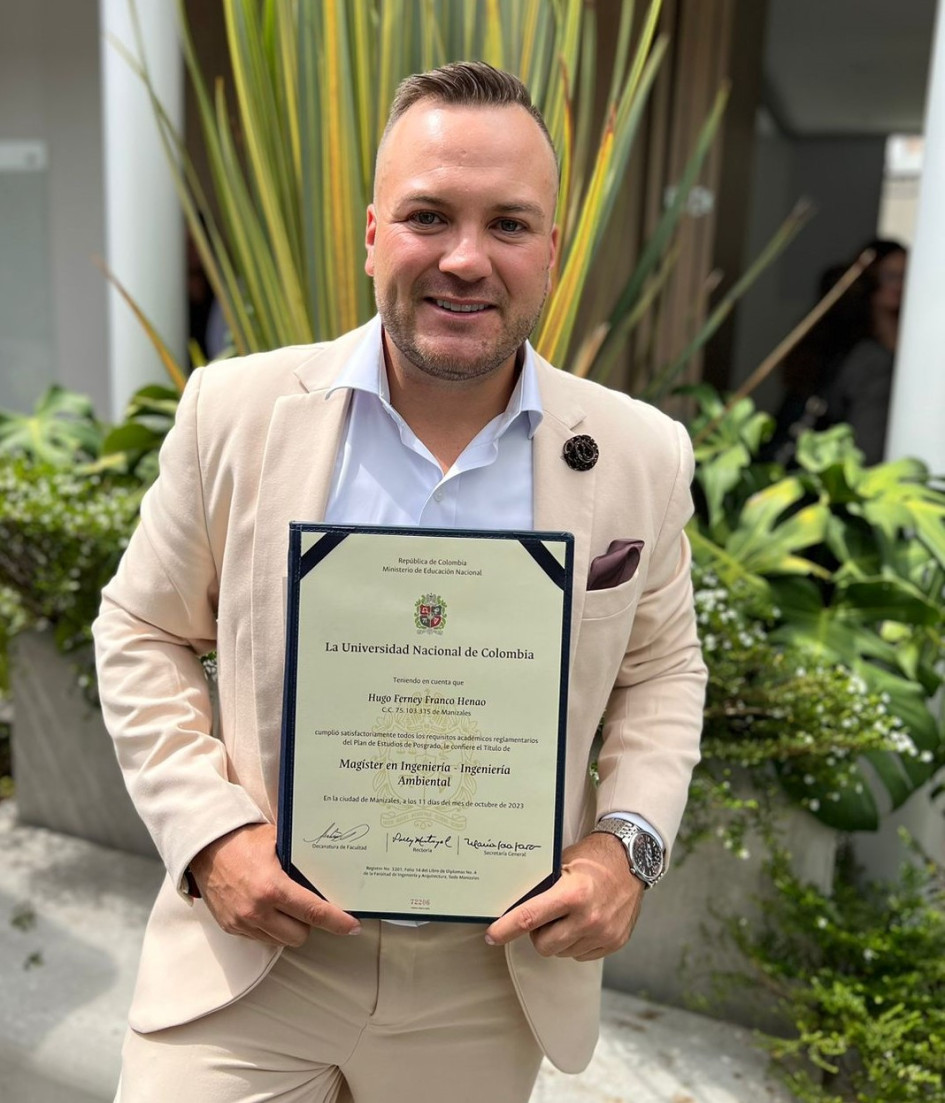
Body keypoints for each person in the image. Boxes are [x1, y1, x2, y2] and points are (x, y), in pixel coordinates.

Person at [93, 62, 706, 1103]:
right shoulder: (234, 410)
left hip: (488, 981)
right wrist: (209, 832)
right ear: (375, 233)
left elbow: (663, 668)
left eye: (509, 223)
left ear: (552, 251)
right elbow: (141, 627)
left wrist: (626, 845)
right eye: (430, 215)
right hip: (255, 963)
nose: (466, 258)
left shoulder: (640, 454)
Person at [768, 239, 907, 466]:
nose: (900, 286)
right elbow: (866, 450)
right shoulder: (866, 357)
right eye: (891, 276)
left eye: (907, 277)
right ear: (871, 281)